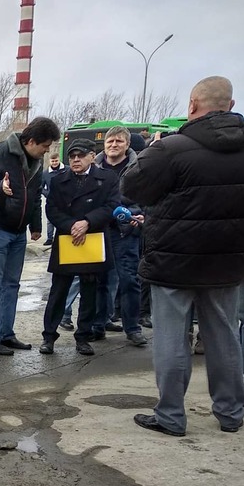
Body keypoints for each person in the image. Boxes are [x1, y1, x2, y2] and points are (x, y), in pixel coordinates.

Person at [123, 76, 244, 435]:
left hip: (173, 260)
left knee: (172, 337)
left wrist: (149, 152)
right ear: (231, 106)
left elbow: (131, 186)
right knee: (224, 335)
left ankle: (171, 416)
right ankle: (231, 413)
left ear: (192, 106)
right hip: (228, 260)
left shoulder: (171, 148)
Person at [0, 116, 61, 355]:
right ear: (31, 141)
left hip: (19, 231)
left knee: (12, 284)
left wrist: (35, 225)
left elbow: (34, 196)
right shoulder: (1, 152)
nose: (47, 150)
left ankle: (6, 333)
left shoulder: (36, 160)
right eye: (45, 145)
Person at [39, 138, 121, 356]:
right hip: (67, 239)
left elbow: (112, 206)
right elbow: (52, 209)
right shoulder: (59, 180)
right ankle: (49, 336)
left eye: (80, 156)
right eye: (72, 156)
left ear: (92, 157)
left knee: (89, 292)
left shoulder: (107, 178)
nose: (75, 160)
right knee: (58, 292)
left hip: (92, 240)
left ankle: (83, 336)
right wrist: (70, 226)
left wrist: (87, 222)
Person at [91, 125, 148, 347]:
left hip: (125, 232)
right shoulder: (93, 167)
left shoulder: (137, 169)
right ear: (104, 145)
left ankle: (132, 327)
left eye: (119, 142)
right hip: (99, 231)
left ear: (127, 145)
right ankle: (98, 324)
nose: (114, 145)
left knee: (129, 281)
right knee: (99, 282)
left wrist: (134, 214)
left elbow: (145, 200)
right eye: (110, 142)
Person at [42, 152, 64, 246]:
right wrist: (48, 194)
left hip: (64, 199)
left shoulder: (66, 170)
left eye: (56, 161)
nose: (54, 163)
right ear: (49, 161)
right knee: (50, 220)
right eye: (53, 161)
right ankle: (50, 238)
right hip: (51, 200)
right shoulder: (45, 173)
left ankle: (61, 236)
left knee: (64, 218)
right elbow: (41, 187)